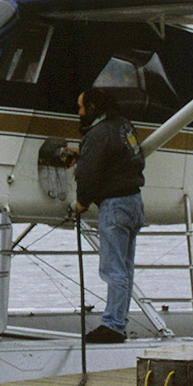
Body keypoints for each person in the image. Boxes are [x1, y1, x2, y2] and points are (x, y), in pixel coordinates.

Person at [66, 87, 145, 344]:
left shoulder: (97, 134)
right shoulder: (124, 127)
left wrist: (81, 202)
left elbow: (88, 174)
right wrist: (85, 153)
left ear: (92, 108)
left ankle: (112, 326)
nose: (79, 112)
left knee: (113, 270)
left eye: (81, 107)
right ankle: (118, 322)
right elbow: (133, 158)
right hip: (134, 202)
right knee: (125, 268)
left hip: (114, 207)